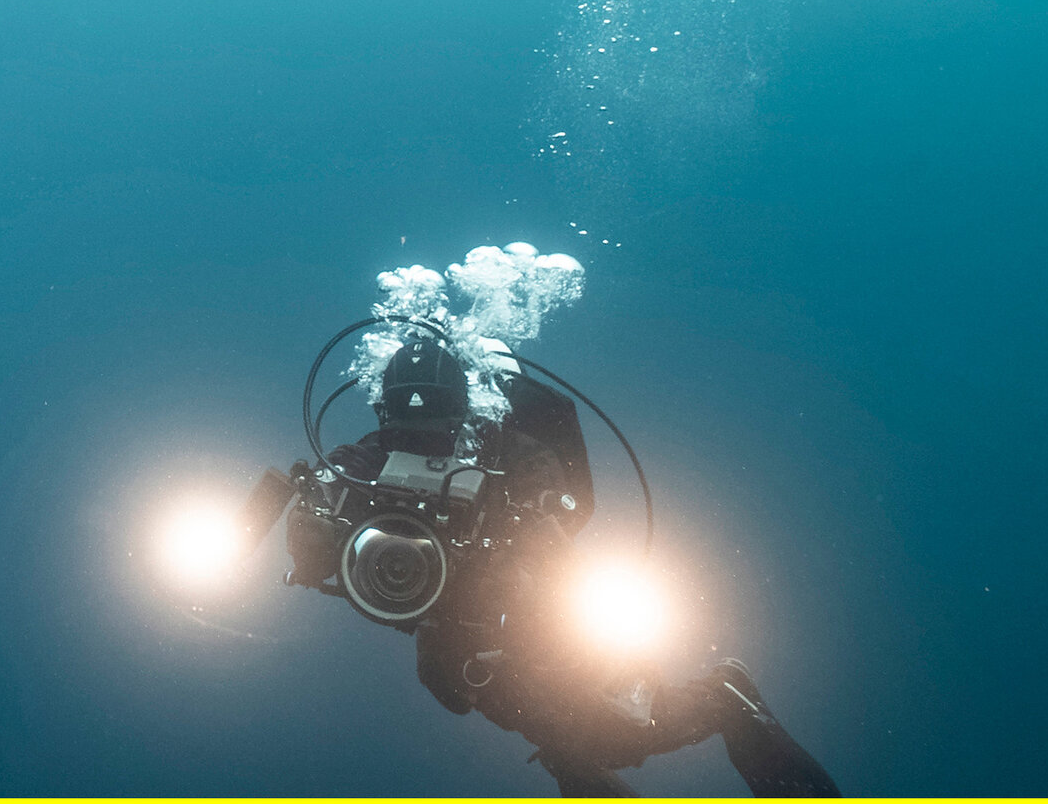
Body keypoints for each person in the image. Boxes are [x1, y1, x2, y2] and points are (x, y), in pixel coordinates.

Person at [278, 333, 839, 798]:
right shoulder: (367, 455)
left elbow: (552, 496)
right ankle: (569, 756)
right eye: (401, 418)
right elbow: (328, 491)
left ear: (464, 408)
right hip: (450, 619)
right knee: (460, 690)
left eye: (436, 418)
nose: (417, 435)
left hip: (535, 604)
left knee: (625, 733)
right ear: (384, 411)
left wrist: (522, 535)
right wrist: (308, 528)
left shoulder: (506, 448)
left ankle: (722, 694)